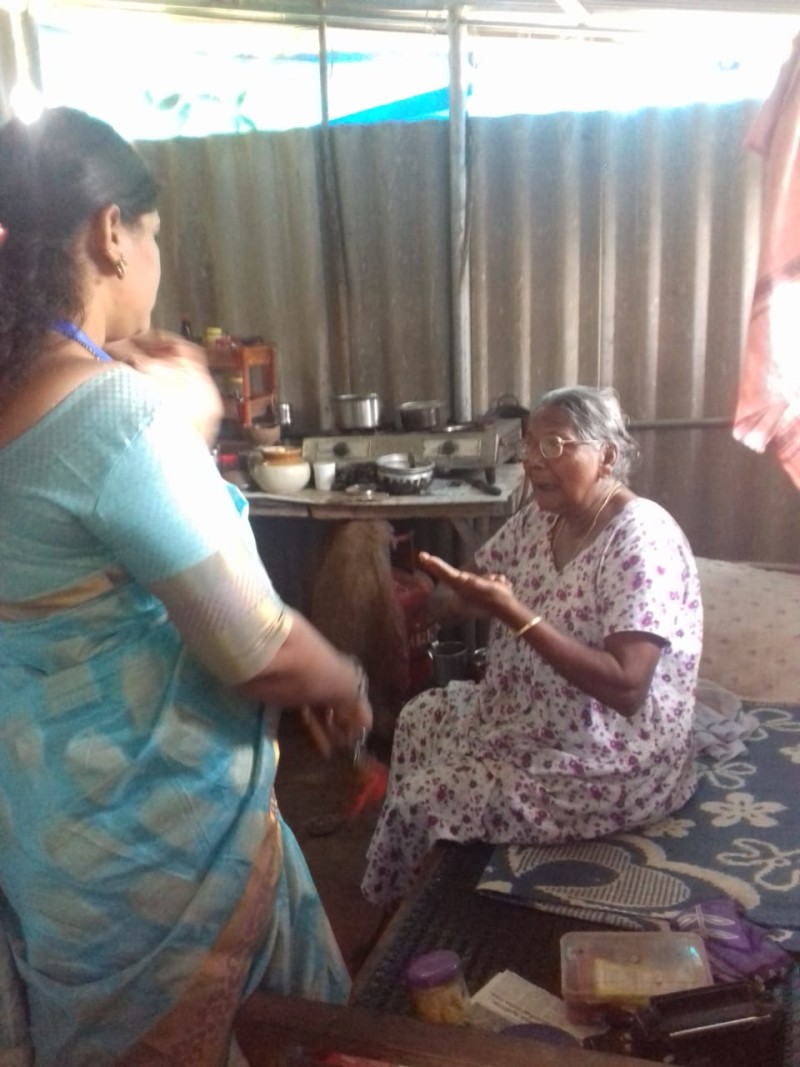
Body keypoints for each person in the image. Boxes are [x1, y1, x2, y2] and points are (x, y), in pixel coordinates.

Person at [0, 107, 372, 1066]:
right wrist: (342, 679)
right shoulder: (117, 418)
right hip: (154, 853)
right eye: (154, 231)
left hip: (50, 842)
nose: (155, 255)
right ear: (109, 233)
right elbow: (256, 646)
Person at [362, 385, 703, 907]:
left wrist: (513, 613)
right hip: (524, 715)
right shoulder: (541, 518)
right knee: (419, 718)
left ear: (606, 455)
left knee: (419, 800)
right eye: (529, 446)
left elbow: (628, 688)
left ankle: (403, 914)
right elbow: (462, 591)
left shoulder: (639, 540)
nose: (534, 462)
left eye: (554, 445)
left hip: (605, 755)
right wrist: (452, 599)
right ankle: (429, 880)